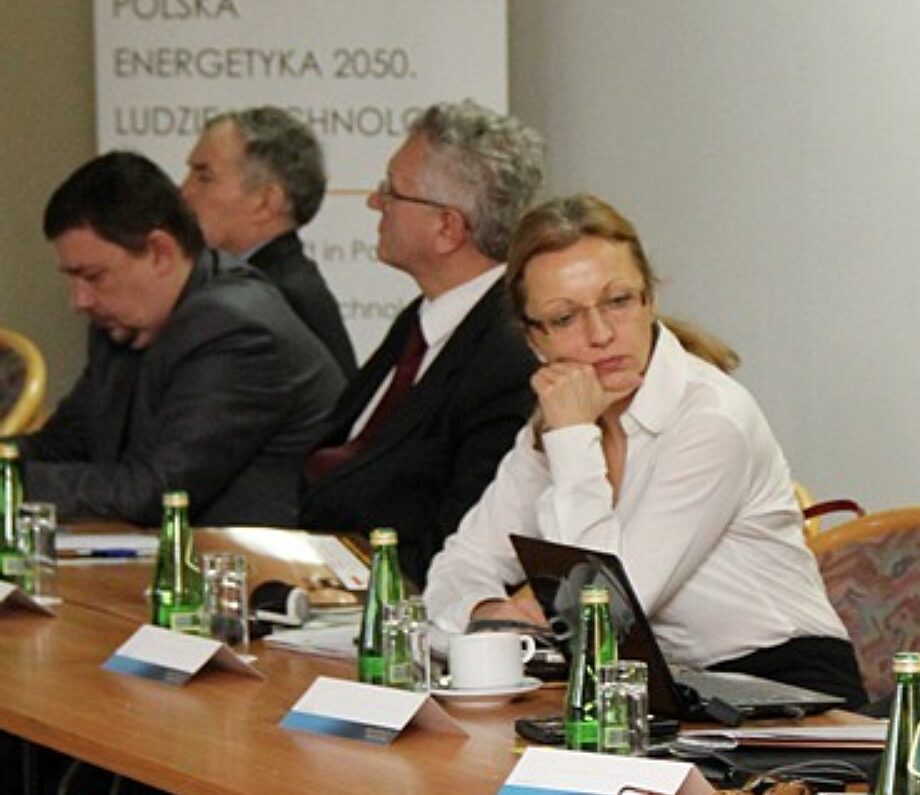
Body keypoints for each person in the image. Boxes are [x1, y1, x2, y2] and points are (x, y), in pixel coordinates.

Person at [425, 193, 864, 703]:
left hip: (785, 692)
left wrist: (572, 438)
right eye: (565, 318)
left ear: (649, 300)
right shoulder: (557, 422)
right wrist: (490, 618)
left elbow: (601, 617)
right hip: (658, 691)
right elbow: (461, 563)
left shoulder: (710, 419)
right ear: (533, 340)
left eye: (617, 302)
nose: (600, 334)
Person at [15, 151, 344, 526]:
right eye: (72, 279)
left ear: (160, 253)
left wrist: (10, 485)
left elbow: (156, 492)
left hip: (262, 557)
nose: (80, 300)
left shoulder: (234, 328)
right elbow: (65, 444)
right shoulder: (124, 321)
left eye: (92, 276)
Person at [298, 99, 543, 585]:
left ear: (448, 227)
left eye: (392, 191)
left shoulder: (507, 358)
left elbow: (458, 546)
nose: (375, 203)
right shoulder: (423, 317)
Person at [181, 106, 358, 378]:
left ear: (265, 202)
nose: (184, 191)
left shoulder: (277, 299)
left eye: (204, 177)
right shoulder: (268, 283)